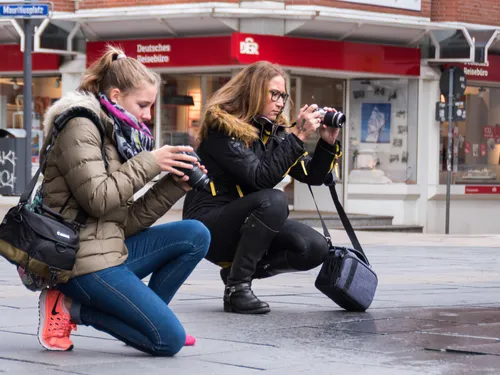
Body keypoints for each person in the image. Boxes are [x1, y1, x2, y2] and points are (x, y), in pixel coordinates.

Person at [37, 46, 211, 356]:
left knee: (196, 234)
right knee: (167, 341)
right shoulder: (80, 126)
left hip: (109, 249)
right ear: (116, 96)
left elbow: (123, 221)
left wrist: (175, 186)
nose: (148, 115)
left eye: (151, 106)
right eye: (143, 105)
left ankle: (150, 318)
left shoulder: (119, 137)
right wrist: (150, 162)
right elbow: (99, 201)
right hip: (76, 262)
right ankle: (69, 307)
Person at [182, 61, 342, 314]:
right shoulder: (223, 128)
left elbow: (312, 175)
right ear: (253, 92)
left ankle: (235, 274)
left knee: (314, 247)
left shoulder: (274, 133)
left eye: (283, 96)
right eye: (274, 94)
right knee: (275, 199)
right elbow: (259, 179)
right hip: (208, 225)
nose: (280, 103)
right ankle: (237, 288)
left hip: (248, 222)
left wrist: (327, 143)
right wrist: (298, 136)